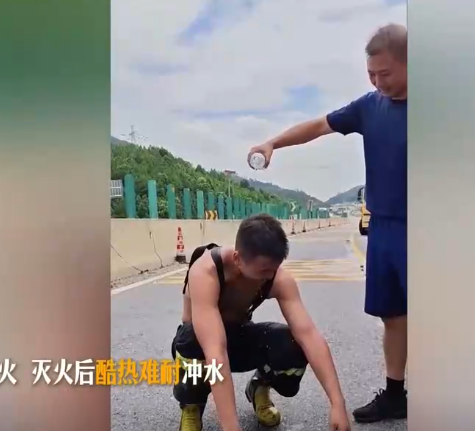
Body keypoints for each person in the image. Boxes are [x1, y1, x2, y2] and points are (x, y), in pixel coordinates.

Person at [247, 23, 408, 424]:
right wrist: (273, 143)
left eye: (385, 73)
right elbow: (318, 126)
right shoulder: (370, 106)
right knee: (392, 316)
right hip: (384, 229)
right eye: (371, 73)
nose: (377, 82)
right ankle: (395, 394)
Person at [173, 214, 351, 431]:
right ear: (238, 259)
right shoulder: (205, 272)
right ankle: (192, 403)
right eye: (264, 270)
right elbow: (215, 351)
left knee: (293, 344)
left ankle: (259, 386)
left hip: (237, 337)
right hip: (201, 346)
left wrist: (337, 403)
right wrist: (231, 427)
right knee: (192, 343)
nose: (270, 276)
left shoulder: (277, 277)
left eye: (274, 269)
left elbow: (309, 336)